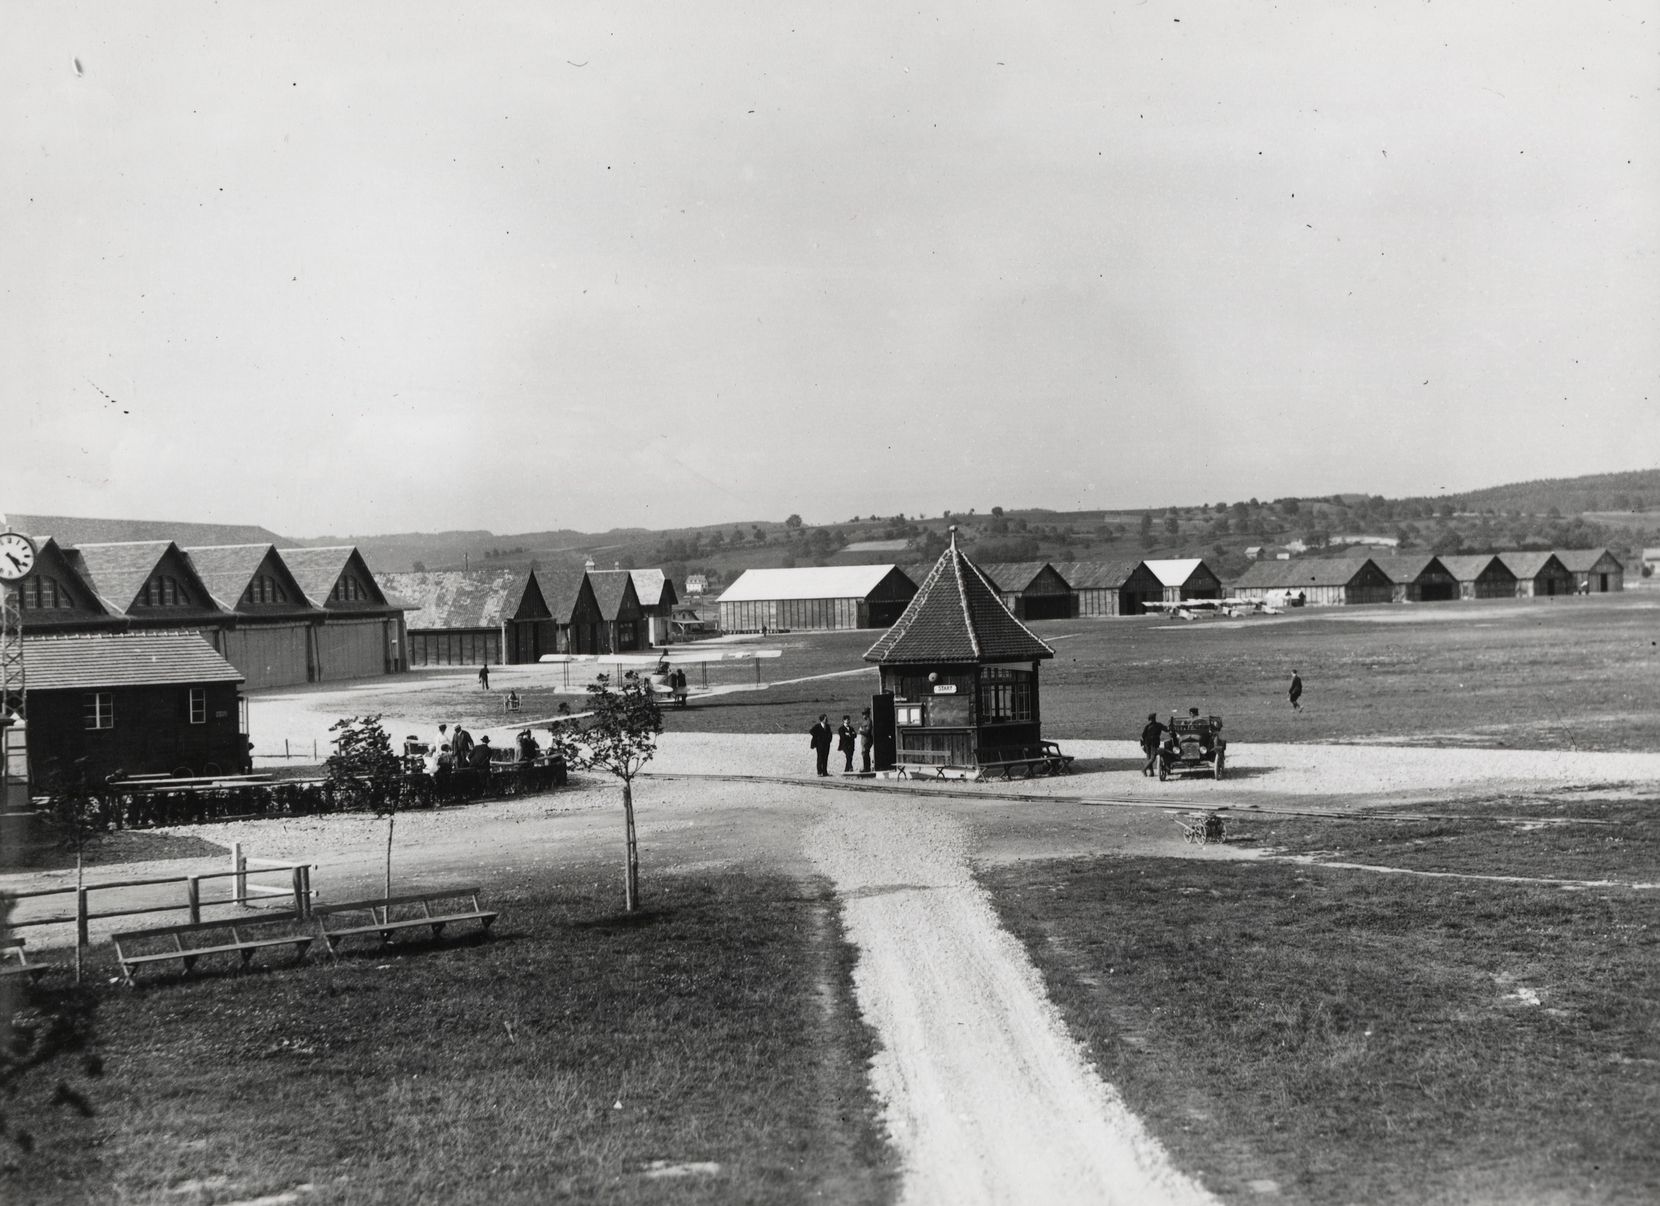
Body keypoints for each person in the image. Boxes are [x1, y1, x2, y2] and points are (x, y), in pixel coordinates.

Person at [1139, 712, 1165, 777]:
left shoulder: (1147, 726)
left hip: (1147, 744)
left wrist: (1142, 745)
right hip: (1153, 744)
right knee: (1152, 758)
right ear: (1154, 718)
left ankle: (1151, 773)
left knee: (1149, 758)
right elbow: (1166, 729)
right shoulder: (1159, 725)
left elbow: (1142, 737)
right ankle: (1144, 769)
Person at [857, 707, 874, 773]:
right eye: (863, 714)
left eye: (864, 714)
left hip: (867, 740)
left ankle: (867, 768)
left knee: (865, 753)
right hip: (864, 740)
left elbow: (867, 731)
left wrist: (861, 731)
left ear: (867, 714)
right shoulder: (865, 721)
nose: (863, 715)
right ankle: (866, 767)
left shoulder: (869, 721)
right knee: (864, 753)